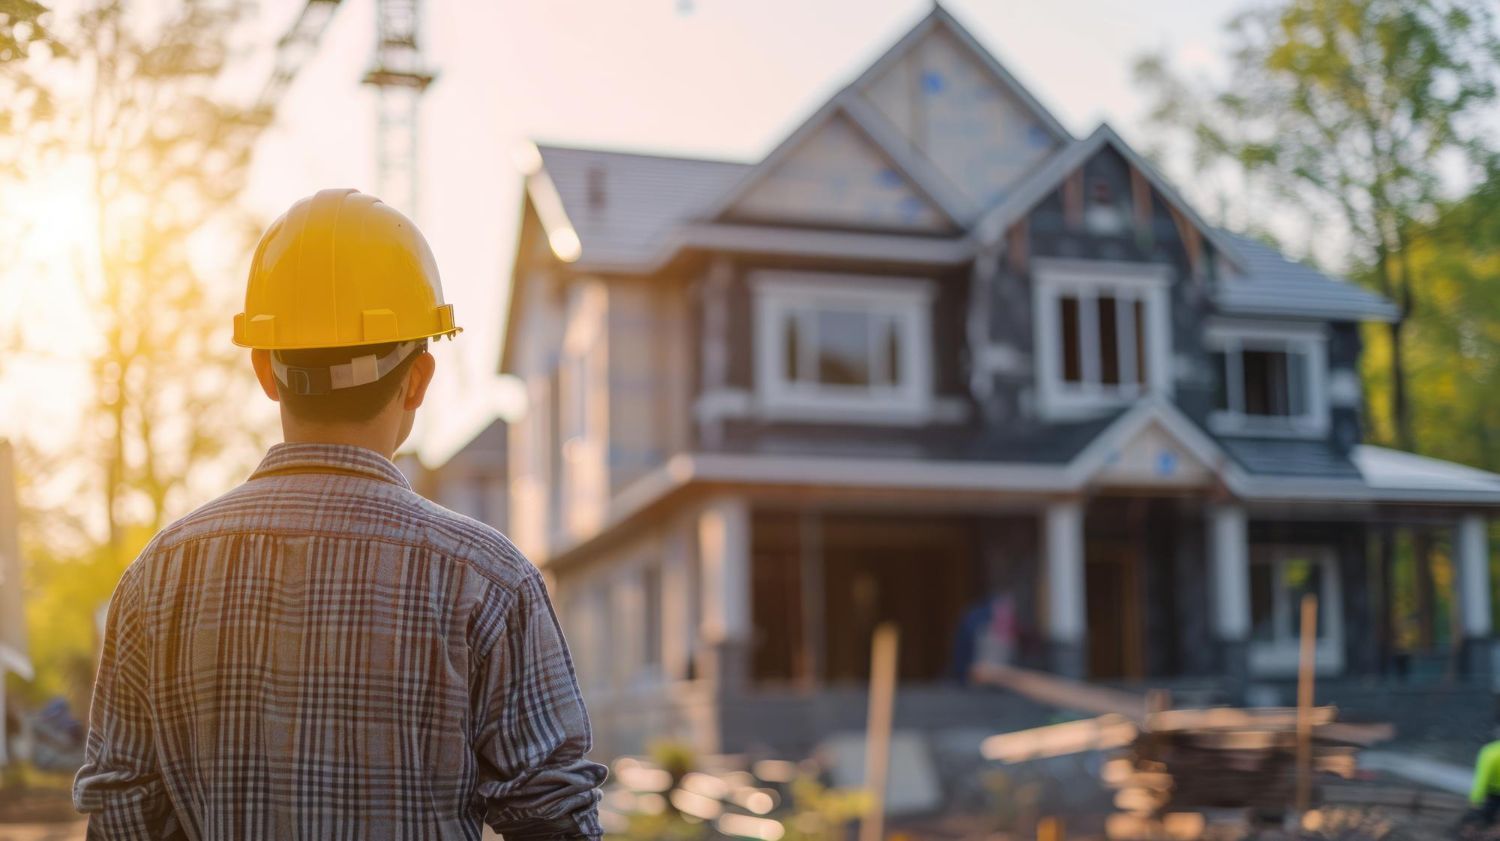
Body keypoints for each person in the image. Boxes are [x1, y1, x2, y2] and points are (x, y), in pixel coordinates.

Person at [73, 189, 605, 840]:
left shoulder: (158, 578)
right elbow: (555, 819)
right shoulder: (488, 581)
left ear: (266, 369)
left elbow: (120, 814)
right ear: (418, 379)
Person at [1468, 736, 1500, 830]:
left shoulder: (1490, 752)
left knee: (1487, 817)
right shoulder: (1491, 752)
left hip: (1493, 792)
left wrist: (1476, 799)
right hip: (1493, 792)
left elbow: (1482, 779)